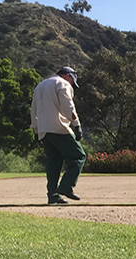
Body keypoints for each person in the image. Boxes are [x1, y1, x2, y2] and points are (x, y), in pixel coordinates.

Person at [30, 66, 86, 204]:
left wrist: (36, 129)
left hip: (44, 130)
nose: (72, 84)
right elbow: (68, 106)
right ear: (68, 76)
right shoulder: (62, 84)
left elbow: (34, 109)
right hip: (59, 127)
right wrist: (76, 124)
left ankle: (53, 195)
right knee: (78, 156)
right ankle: (66, 186)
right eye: (72, 81)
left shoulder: (40, 86)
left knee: (54, 162)